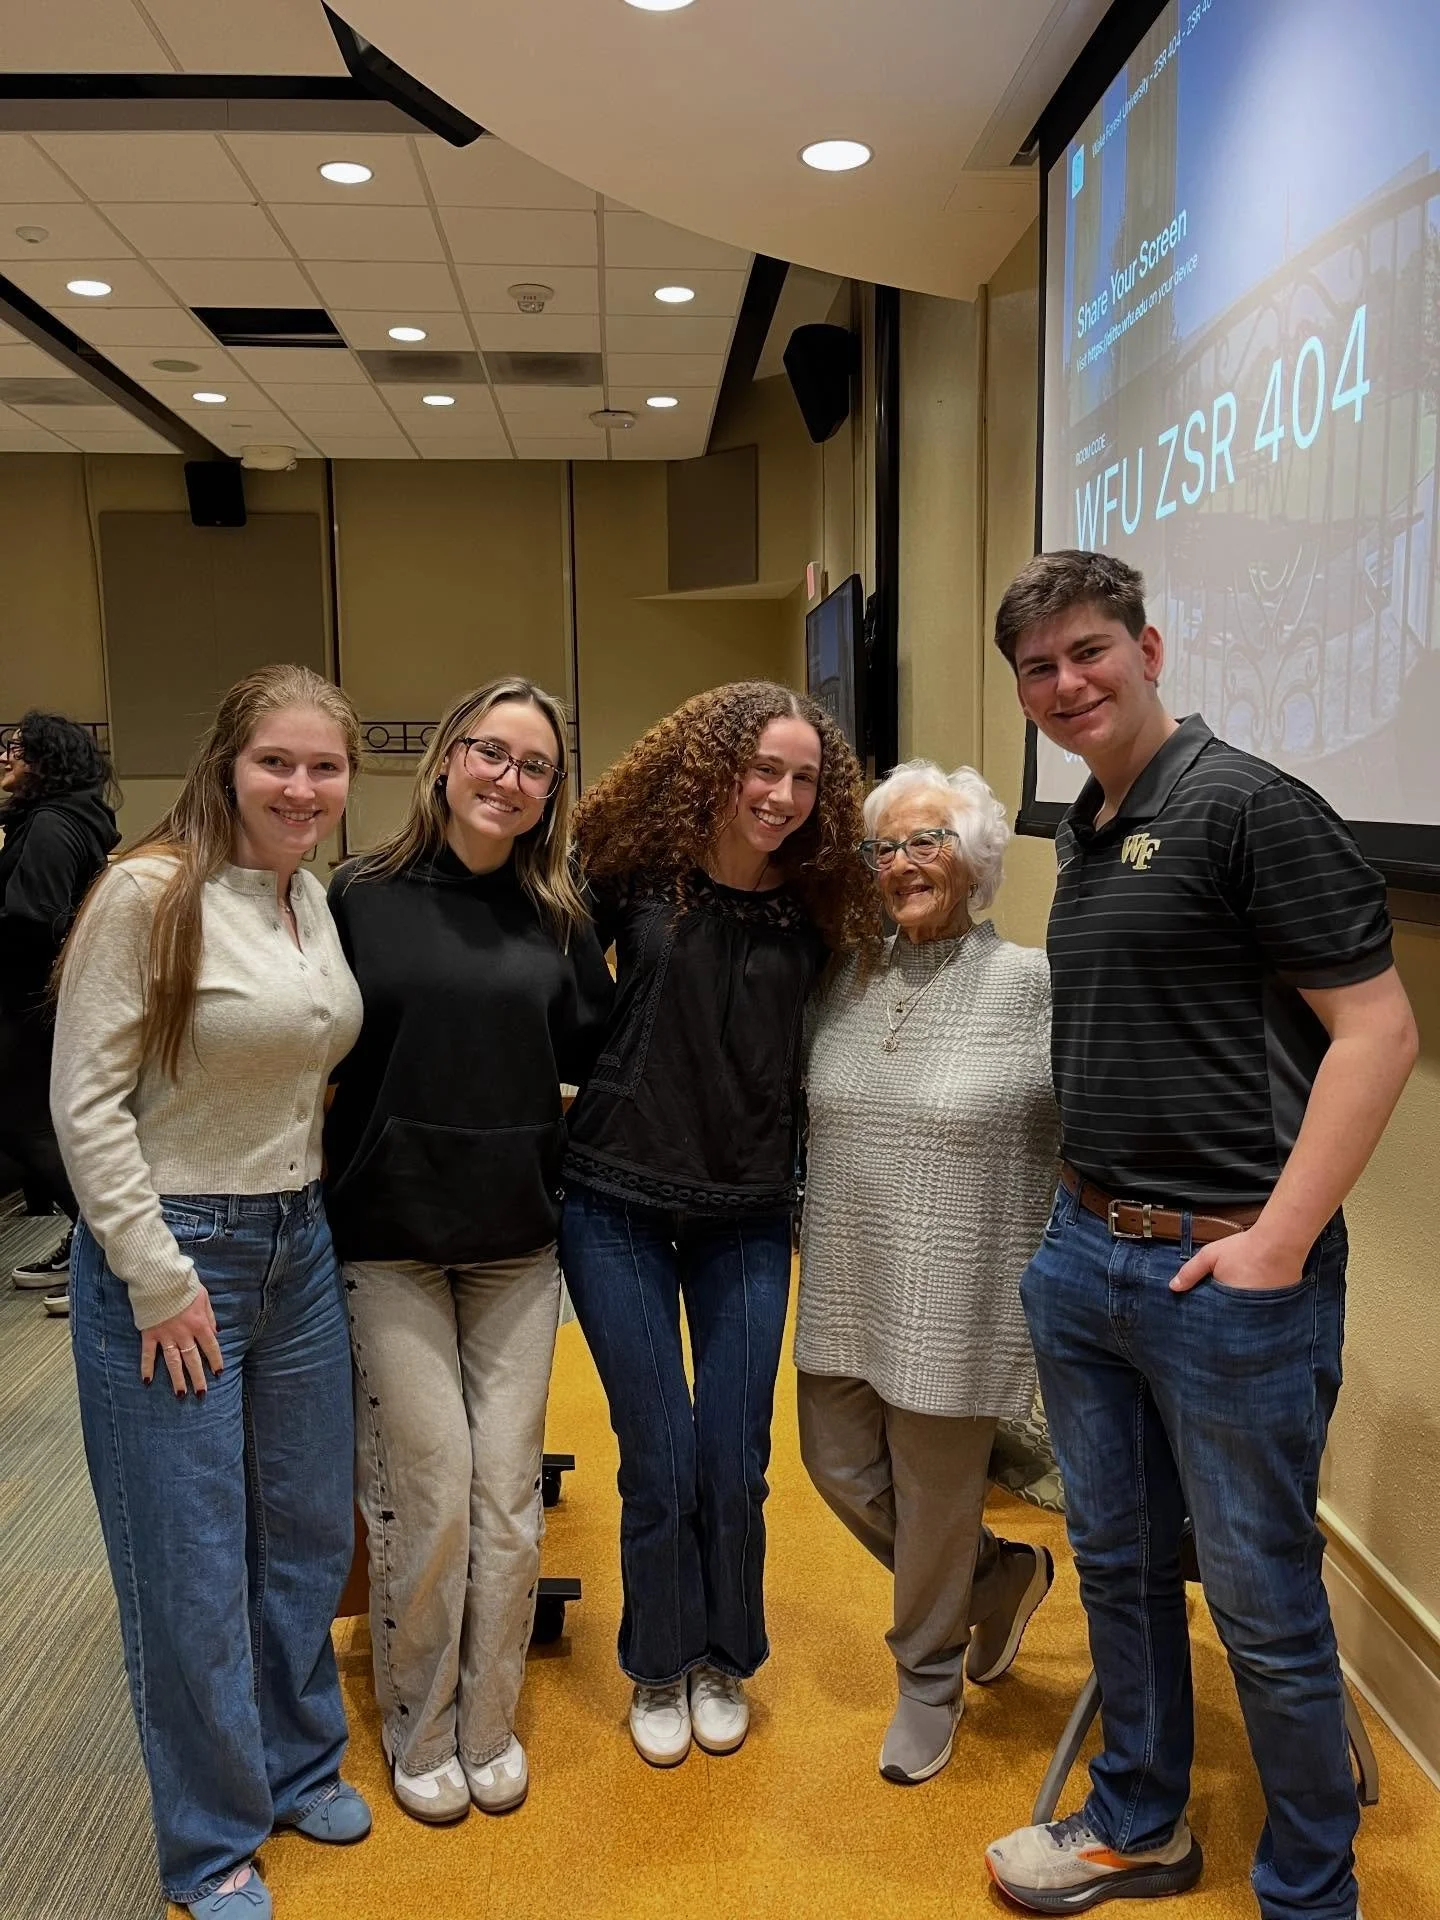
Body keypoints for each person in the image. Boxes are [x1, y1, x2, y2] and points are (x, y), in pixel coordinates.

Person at [983, 551, 1417, 1920]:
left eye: (1089, 652)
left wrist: (1280, 1241)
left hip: (1229, 1277)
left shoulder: (1246, 807)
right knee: (1115, 1565)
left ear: (1150, 647)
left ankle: (1307, 1891)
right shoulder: (1086, 825)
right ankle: (1140, 1825)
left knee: (1262, 1603)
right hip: (1088, 1257)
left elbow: (1380, 1031)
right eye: (1039, 670)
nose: (1067, 685)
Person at [51, 665, 371, 1920]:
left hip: (298, 1245)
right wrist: (153, 1274)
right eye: (276, 764)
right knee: (186, 1560)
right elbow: (85, 1104)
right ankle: (210, 1841)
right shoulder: (149, 893)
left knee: (298, 1536)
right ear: (226, 765)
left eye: (325, 767)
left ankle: (297, 1769)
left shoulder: (309, 897)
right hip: (173, 1256)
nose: (302, 788)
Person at [559, 682, 873, 1767]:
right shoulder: (633, 876)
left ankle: (722, 1657)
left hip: (747, 1210)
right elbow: (544, 988)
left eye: (803, 779)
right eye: (764, 772)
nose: (782, 797)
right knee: (659, 1453)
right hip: (614, 1197)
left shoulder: (823, 899)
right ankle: (657, 1661)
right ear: (714, 770)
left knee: (734, 1457)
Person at [324, 677, 613, 1823]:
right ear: (446, 760)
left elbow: (596, 1053)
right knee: (429, 1493)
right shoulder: (359, 896)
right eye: (492, 753)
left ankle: (486, 1722)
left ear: (552, 793)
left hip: (513, 1247)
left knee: (506, 1501)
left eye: (535, 766)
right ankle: (418, 1720)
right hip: (387, 1238)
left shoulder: (560, 914)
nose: (510, 779)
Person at [796, 759, 1059, 1786]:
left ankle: (927, 1677)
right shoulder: (844, 983)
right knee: (835, 1464)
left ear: (978, 860)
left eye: (927, 841)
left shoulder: (1035, 987)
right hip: (845, 1284)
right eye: (884, 846)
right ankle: (997, 1578)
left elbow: (1099, 1126)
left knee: (937, 1497)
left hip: (962, 1296)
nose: (902, 864)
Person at [0, 713, 119, 1309]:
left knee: (28, 1123)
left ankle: (106, 1248)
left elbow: (31, 917)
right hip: (49, 996)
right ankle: (94, 1241)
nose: (5, 757)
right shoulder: (72, 818)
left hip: (29, 999)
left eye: (16, 748)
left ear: (46, 759)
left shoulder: (49, 823)